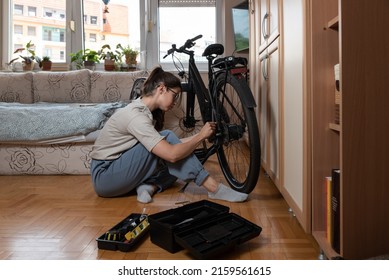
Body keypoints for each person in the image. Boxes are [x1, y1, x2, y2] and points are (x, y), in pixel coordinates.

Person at [90, 66, 248, 203]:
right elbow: (172, 154)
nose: (175, 101)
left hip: (116, 171)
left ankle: (149, 186)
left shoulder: (143, 112)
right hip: (105, 177)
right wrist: (200, 137)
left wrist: (202, 134)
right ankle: (213, 188)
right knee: (173, 152)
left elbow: (173, 147)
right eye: (175, 95)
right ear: (161, 88)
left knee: (178, 160)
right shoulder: (136, 116)